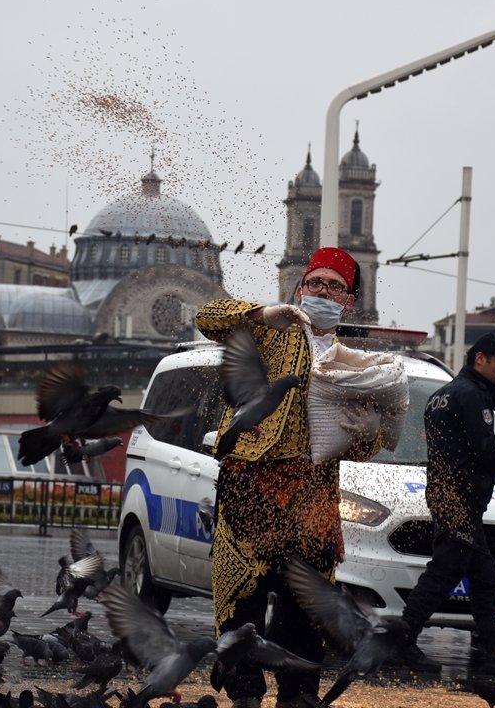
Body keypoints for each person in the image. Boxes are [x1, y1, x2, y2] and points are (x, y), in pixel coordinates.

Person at [195, 246, 387, 708]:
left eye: (334, 286)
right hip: (250, 486)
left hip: (313, 495)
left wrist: (368, 433)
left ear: (349, 301)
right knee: (243, 600)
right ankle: (244, 695)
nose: (322, 292)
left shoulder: (353, 364)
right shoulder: (269, 332)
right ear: (300, 288)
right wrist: (264, 312)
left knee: (308, 606)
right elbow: (208, 316)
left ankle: (298, 697)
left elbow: (362, 446)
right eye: (315, 283)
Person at [396, 332, 495, 675]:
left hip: (448, 493)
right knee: (445, 571)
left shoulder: (442, 395)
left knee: (485, 577)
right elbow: (483, 446)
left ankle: (494, 650)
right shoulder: (472, 395)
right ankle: (402, 638)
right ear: (481, 359)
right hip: (460, 497)